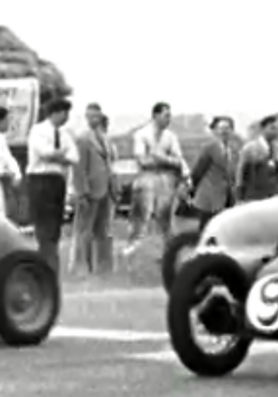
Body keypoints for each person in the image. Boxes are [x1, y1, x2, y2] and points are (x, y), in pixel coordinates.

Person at [124, 102, 190, 257]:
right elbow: (142, 160)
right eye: (166, 115)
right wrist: (164, 160)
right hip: (146, 178)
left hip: (165, 180)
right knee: (140, 215)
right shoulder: (141, 134)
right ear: (155, 116)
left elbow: (178, 160)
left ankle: (168, 251)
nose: (168, 119)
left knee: (165, 216)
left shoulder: (171, 137)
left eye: (169, 116)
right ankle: (132, 247)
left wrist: (160, 158)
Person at [25, 99, 78, 275]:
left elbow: (74, 156)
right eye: (64, 113)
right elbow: (45, 153)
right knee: (44, 225)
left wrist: (59, 156)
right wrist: (60, 155)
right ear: (55, 113)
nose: (66, 117)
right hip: (40, 179)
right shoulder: (38, 131)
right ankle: (46, 263)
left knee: (55, 224)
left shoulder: (65, 134)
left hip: (57, 180)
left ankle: (50, 262)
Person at [70, 106, 117, 275]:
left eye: (97, 116)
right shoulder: (83, 139)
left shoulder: (104, 138)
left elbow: (109, 163)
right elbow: (78, 167)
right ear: (86, 117)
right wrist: (81, 191)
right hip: (90, 190)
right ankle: (83, 267)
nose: (94, 119)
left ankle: (104, 267)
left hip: (105, 189)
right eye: (91, 116)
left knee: (103, 230)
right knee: (85, 231)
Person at [189, 116, 238, 224]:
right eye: (221, 128)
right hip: (209, 197)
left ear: (232, 131)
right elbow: (197, 172)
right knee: (207, 228)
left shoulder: (233, 150)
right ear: (215, 131)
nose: (224, 131)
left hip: (225, 196)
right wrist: (192, 191)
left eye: (227, 128)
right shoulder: (209, 148)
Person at [237, 115, 278, 202]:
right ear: (263, 129)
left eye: (276, 128)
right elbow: (240, 172)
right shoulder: (250, 148)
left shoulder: (277, 148)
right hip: (254, 196)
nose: (275, 131)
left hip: (272, 195)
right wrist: (240, 195)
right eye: (272, 128)